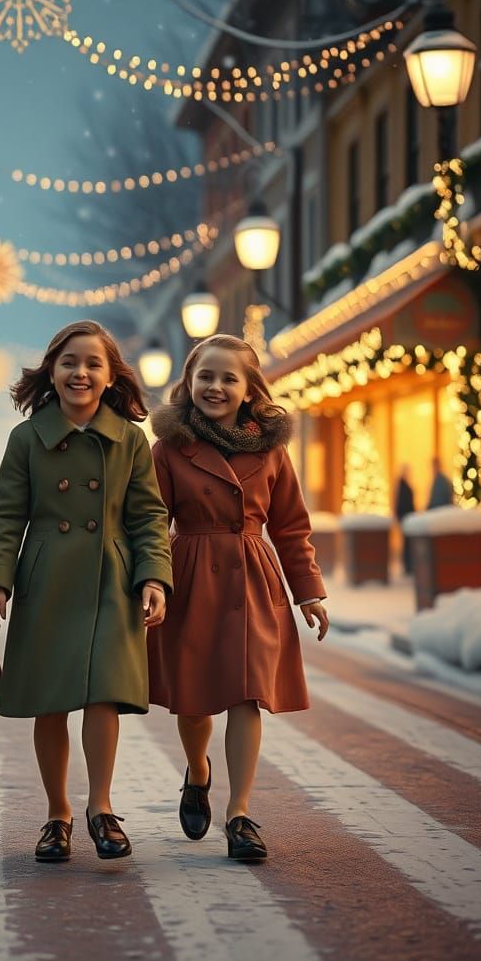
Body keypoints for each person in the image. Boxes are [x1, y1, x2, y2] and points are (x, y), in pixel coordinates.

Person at [0, 320, 172, 864]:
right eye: (68, 362)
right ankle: (57, 814)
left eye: (92, 364)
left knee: (104, 692)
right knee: (52, 698)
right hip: (48, 579)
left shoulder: (130, 439)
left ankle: (101, 807)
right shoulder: (26, 439)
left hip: (113, 578)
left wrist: (154, 576)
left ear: (110, 377)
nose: (79, 373)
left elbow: (149, 516)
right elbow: (6, 517)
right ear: (51, 372)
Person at [147, 333, 328, 862]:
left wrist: (309, 592)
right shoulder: (169, 448)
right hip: (190, 577)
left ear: (250, 390)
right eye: (205, 376)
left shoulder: (272, 450)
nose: (216, 387)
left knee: (248, 694)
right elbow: (152, 522)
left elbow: (291, 527)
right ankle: (197, 771)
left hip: (252, 578)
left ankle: (240, 814)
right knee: (193, 698)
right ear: (189, 382)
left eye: (230, 378)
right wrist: (151, 581)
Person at [394, 464, 416, 574]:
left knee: (407, 543)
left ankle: (408, 566)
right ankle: (407, 566)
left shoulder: (403, 485)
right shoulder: (402, 486)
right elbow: (402, 503)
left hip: (406, 517)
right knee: (407, 543)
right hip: (405, 517)